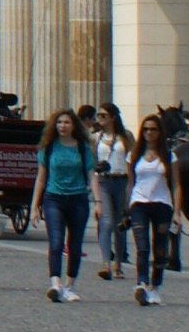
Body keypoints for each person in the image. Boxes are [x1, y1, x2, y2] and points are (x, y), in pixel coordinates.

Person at [35, 109, 95, 302]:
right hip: (54, 197)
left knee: (75, 245)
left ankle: (70, 285)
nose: (63, 126)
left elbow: (92, 174)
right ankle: (55, 284)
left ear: (74, 125)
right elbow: (41, 178)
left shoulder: (82, 147)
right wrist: (34, 205)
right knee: (56, 241)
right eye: (60, 122)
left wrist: (99, 202)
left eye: (67, 122)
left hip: (78, 197)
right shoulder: (49, 147)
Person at [124, 115, 179, 303]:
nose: (149, 133)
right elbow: (130, 182)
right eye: (146, 129)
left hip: (162, 204)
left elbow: (176, 185)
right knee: (142, 246)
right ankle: (142, 283)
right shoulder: (134, 155)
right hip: (139, 203)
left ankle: (155, 286)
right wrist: (126, 208)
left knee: (160, 248)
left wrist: (177, 212)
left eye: (153, 129)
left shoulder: (170, 156)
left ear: (159, 132)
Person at [92, 105, 135, 281]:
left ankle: (118, 263)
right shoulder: (95, 138)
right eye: (98, 115)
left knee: (120, 224)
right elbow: (92, 163)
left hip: (122, 180)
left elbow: (133, 159)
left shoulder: (127, 136)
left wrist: (132, 186)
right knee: (107, 221)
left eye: (103, 115)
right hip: (104, 181)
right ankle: (106, 263)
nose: (99, 118)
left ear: (113, 118)